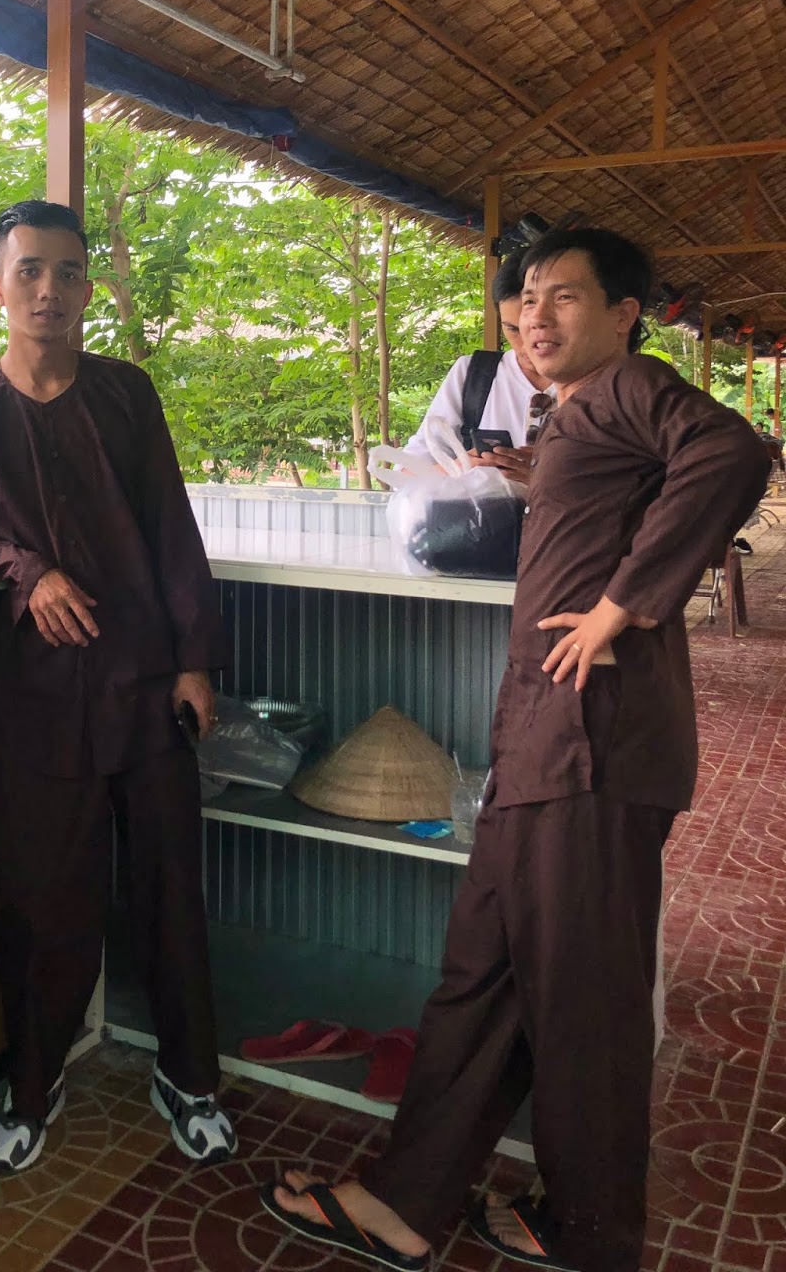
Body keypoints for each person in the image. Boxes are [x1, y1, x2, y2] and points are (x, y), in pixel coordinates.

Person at [263, 227, 767, 1272]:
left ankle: (592, 1230)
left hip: (591, 746)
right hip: (545, 738)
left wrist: (624, 605)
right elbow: (621, 494)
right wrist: (548, 472)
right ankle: (408, 1201)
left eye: (565, 296)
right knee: (482, 976)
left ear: (624, 314)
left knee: (583, 994)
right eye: (527, 297)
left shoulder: (628, 384)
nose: (536, 316)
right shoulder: (583, 412)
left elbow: (735, 452)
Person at [0, 200, 236, 1173]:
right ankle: (34, 1084)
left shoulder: (125, 393)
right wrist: (30, 572)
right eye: (29, 270)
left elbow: (171, 528)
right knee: (41, 901)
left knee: (169, 890)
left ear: (89, 289)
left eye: (67, 272)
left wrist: (195, 660)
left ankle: (189, 1077)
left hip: (144, 682)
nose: (48, 290)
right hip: (41, 694)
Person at [403, 251, 555, 484]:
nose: (528, 343)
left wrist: (545, 480)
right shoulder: (474, 376)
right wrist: (460, 468)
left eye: (539, 327)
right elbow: (405, 474)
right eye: (513, 329)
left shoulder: (603, 384)